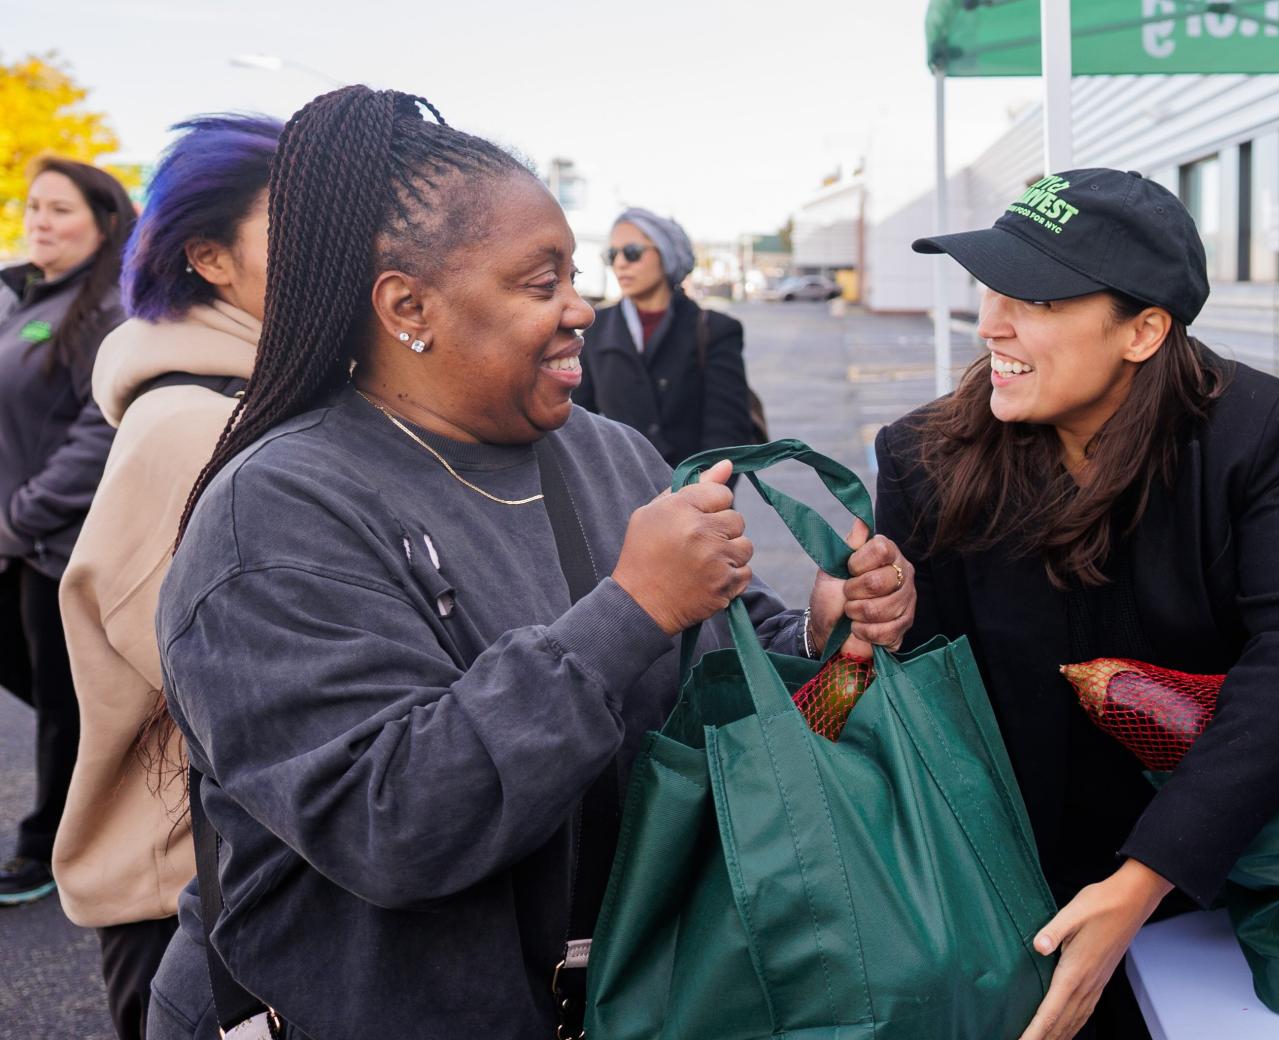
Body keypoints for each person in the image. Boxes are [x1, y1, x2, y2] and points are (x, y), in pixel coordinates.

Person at [146, 87, 912, 1039]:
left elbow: (714, 639)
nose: (581, 308)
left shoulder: (608, 452)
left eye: (576, 275)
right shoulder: (275, 513)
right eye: (539, 283)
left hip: (632, 999)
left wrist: (815, 627)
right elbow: (392, 822)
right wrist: (630, 606)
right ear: (407, 307)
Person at [878, 168, 1279, 1040]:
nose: (991, 321)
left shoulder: (1252, 431)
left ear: (1143, 331)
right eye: (990, 287)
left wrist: (1146, 879)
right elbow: (915, 704)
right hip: (999, 900)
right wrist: (850, 618)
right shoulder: (923, 457)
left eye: (1033, 296)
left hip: (1204, 889)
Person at [52, 114, 281, 1040]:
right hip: (187, 902)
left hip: (231, 876)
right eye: (298, 223)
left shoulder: (248, 396)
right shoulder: (193, 426)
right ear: (209, 258)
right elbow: (260, 700)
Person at [0, 156, 135, 906]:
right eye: (33, 208)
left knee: (61, 703)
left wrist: (21, 516)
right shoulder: (23, 296)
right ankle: (103, 776)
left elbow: (99, 431)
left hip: (61, 544)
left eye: (60, 210)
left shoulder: (109, 308)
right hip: (16, 541)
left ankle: (48, 848)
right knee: (65, 702)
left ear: (104, 223)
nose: (39, 223)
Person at [568, 207, 761, 465]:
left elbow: (726, 430)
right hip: (620, 493)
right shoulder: (597, 325)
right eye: (612, 255)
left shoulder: (715, 330)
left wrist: (703, 492)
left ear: (666, 254)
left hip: (692, 492)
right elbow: (581, 420)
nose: (620, 263)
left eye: (632, 252)